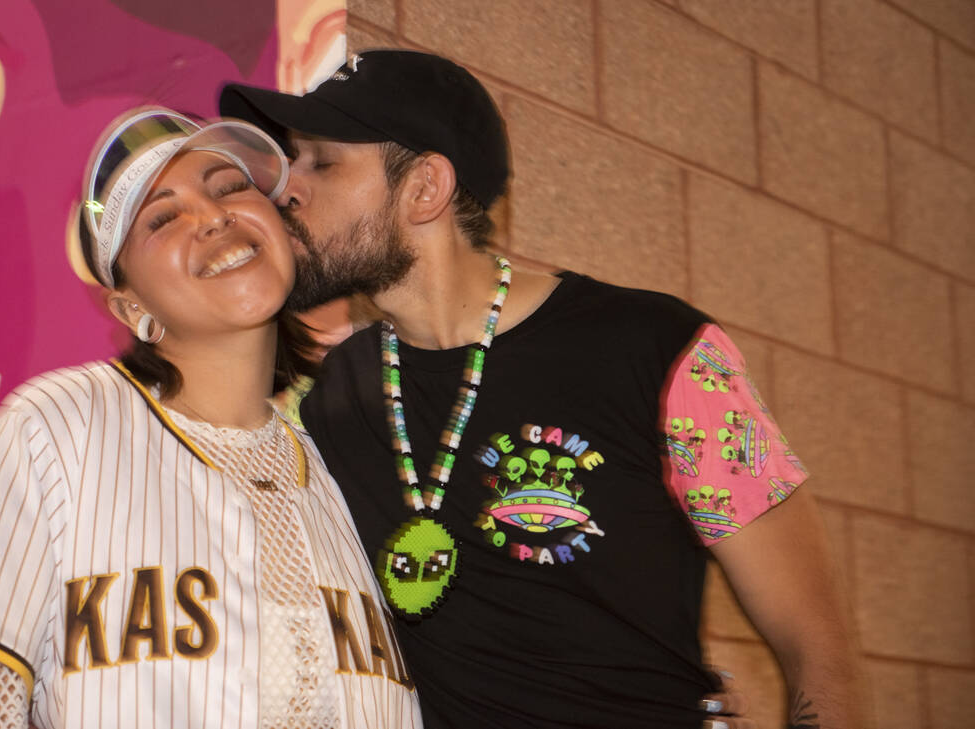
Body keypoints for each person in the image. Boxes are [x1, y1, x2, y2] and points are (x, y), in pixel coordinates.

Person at [219, 50, 861, 729]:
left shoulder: (665, 350)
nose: (287, 189)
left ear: (424, 189)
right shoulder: (328, 401)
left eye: (322, 161)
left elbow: (816, 643)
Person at [0, 108, 423, 729]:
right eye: (162, 218)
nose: (211, 216)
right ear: (130, 306)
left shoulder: (342, 468)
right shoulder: (53, 429)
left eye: (229, 186)